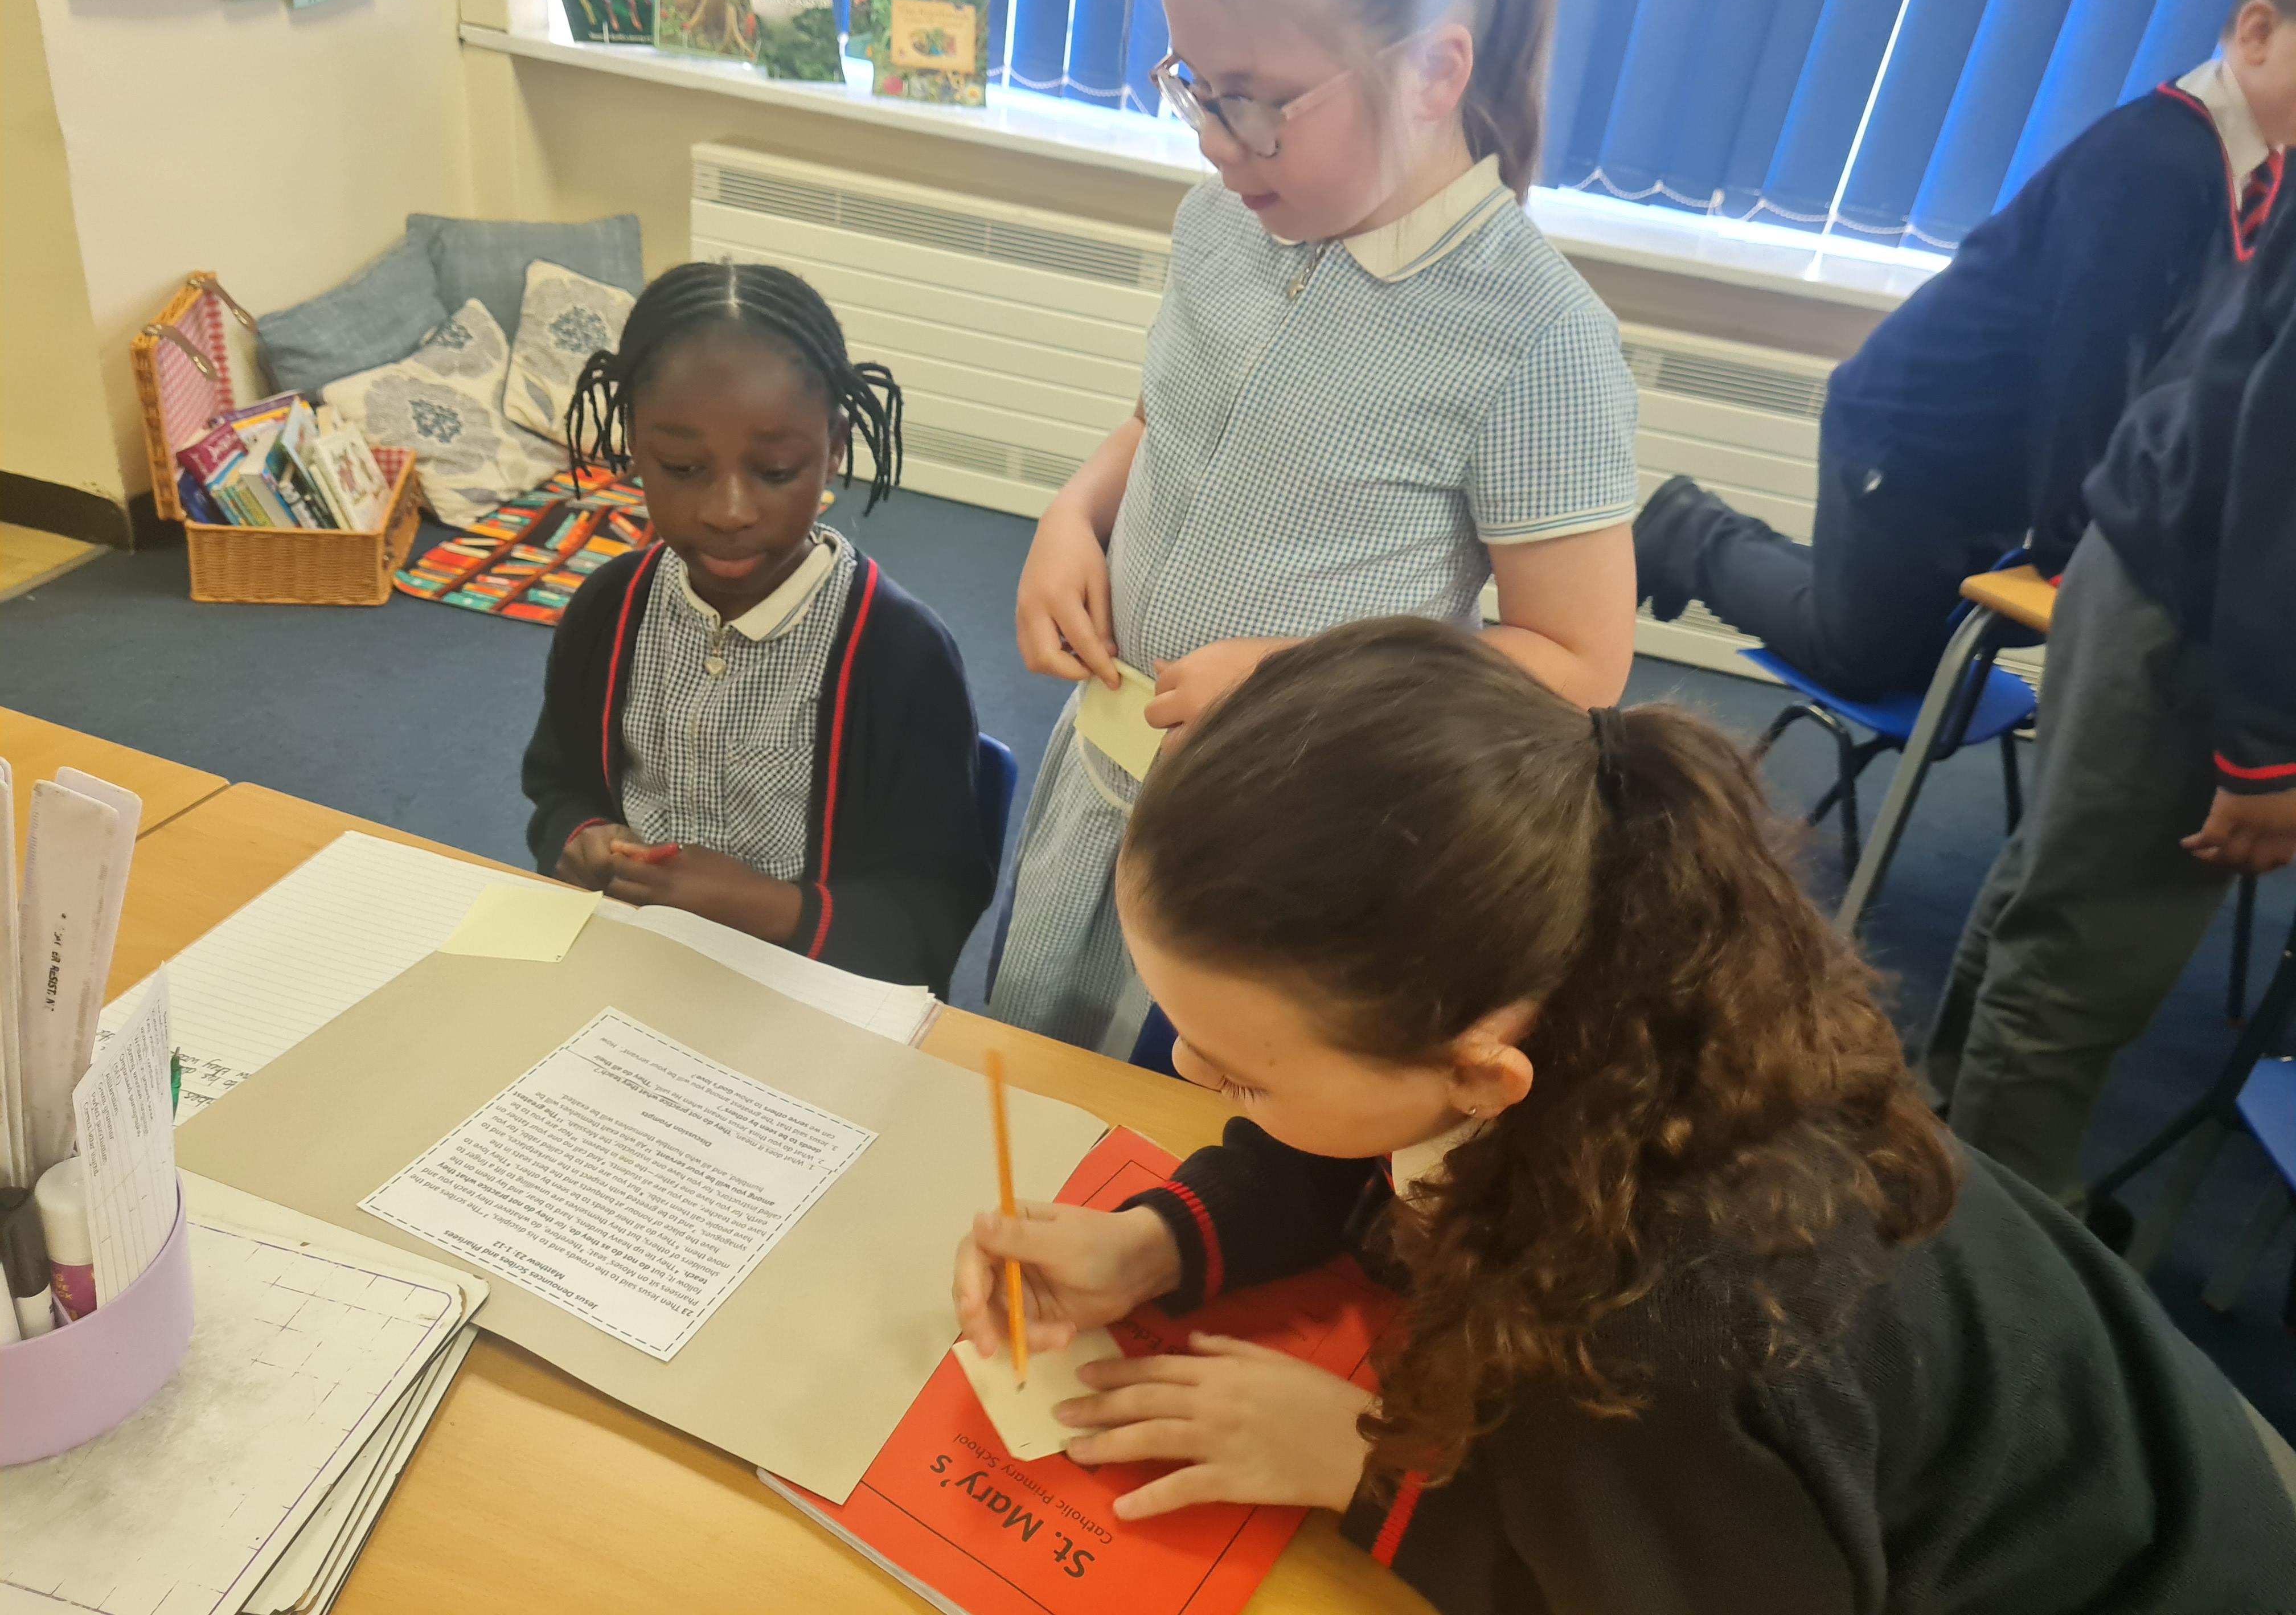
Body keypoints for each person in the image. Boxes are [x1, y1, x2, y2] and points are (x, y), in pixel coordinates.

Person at [952, 620, 2296, 1615]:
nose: (1193, 1075)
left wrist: (1367, 1476)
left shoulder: (1672, 1328)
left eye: (1244, 1075)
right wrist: (1162, 1239)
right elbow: (1359, 1137)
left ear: (1482, 1077)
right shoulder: (1591, 970)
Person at [991, 0, 1642, 1053]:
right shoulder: (1220, 223)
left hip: (1286, 851)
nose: (1211, 138)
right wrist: (1072, 515)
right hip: (1105, 778)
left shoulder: (1537, 338)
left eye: (1251, 100)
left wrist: (1305, 684)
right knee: (1034, 1061)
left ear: (1432, 73)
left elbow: (1580, 665)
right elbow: (1160, 422)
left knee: (1194, 1124)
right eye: (1193, 84)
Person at [1633, 0, 2296, 700]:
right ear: (2258, 33)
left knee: (1916, 659)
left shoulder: (2260, 171)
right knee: (1862, 660)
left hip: (1992, 462)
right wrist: (2073, 548)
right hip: (1917, 434)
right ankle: (1688, 531)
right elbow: (2087, 372)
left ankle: (1768, 558)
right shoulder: (2156, 162)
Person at [1925, 167, 2296, 1206]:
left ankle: (1929, 1173)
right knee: (2078, 963)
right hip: (2202, 611)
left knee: (2052, 903)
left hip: (2170, 565)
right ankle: (1999, 1254)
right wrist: (2268, 750)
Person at [520, 262, 994, 996]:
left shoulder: (901, 657)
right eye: (682, 467)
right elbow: (558, 786)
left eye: (775, 470)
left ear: (834, 448)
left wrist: (764, 907)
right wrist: (581, 839)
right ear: (635, 445)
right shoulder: (608, 611)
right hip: (628, 968)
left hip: (808, 999)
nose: (729, 511)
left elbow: (933, 911)